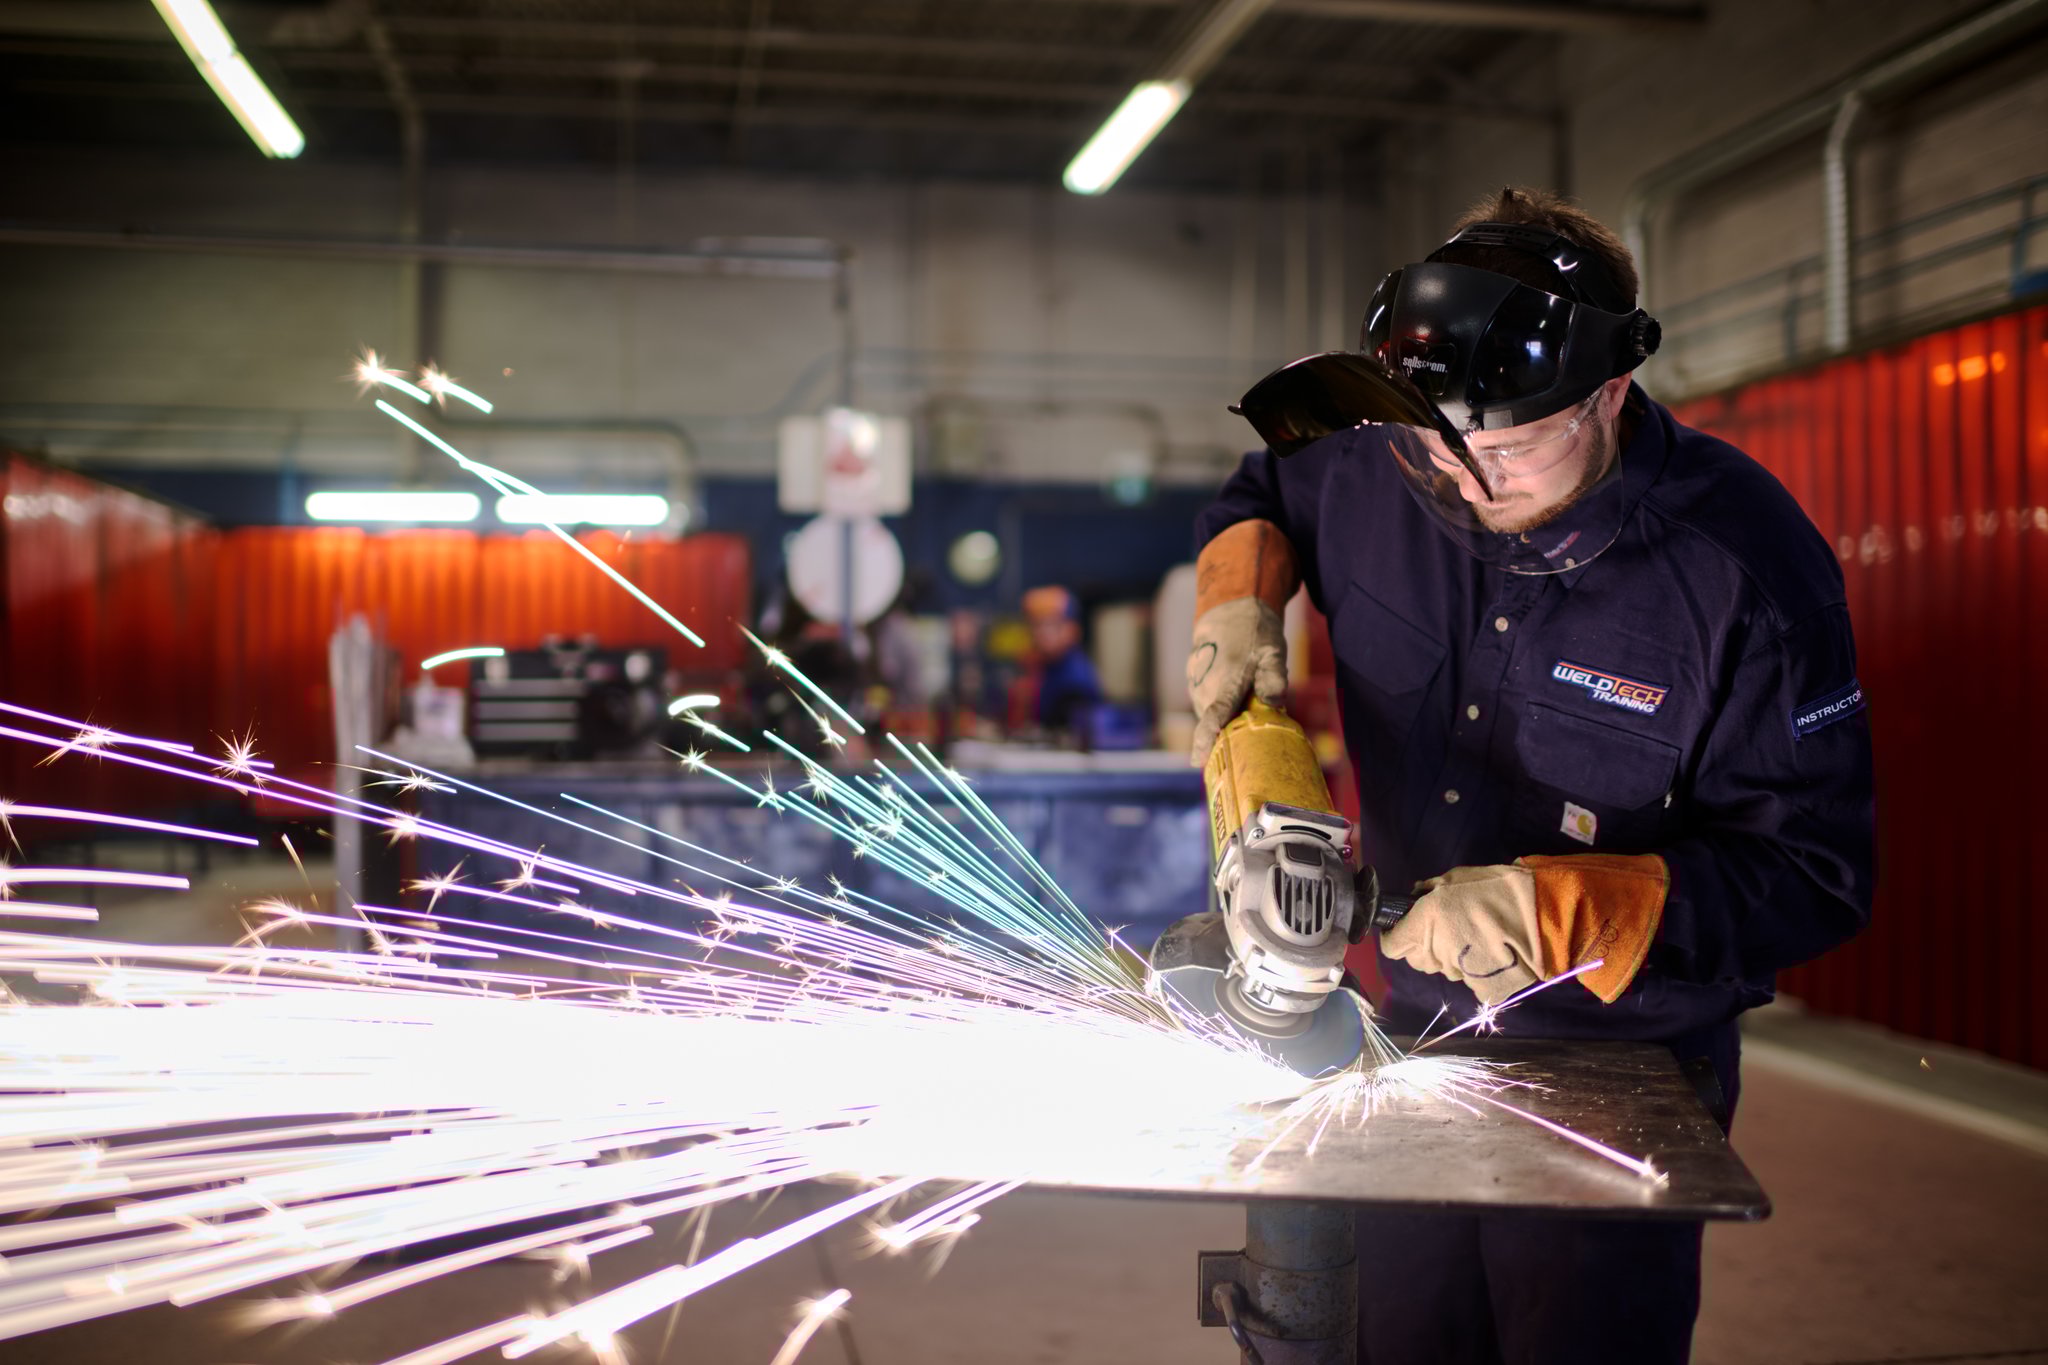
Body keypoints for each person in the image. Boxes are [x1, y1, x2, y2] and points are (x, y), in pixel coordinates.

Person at [1188, 187, 1874, 1365]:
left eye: (1503, 449)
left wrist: (1576, 909)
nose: (1464, 481)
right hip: (1403, 1038)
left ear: (1607, 392)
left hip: (1618, 1075)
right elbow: (1268, 489)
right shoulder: (1380, 467)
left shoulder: (1746, 572)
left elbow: (1815, 875)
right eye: (1429, 446)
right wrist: (1240, 586)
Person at [1019, 584, 1104, 736]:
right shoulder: (1048, 667)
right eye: (1036, 625)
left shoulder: (1076, 676)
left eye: (1052, 625)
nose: (1042, 634)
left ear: (1072, 629)